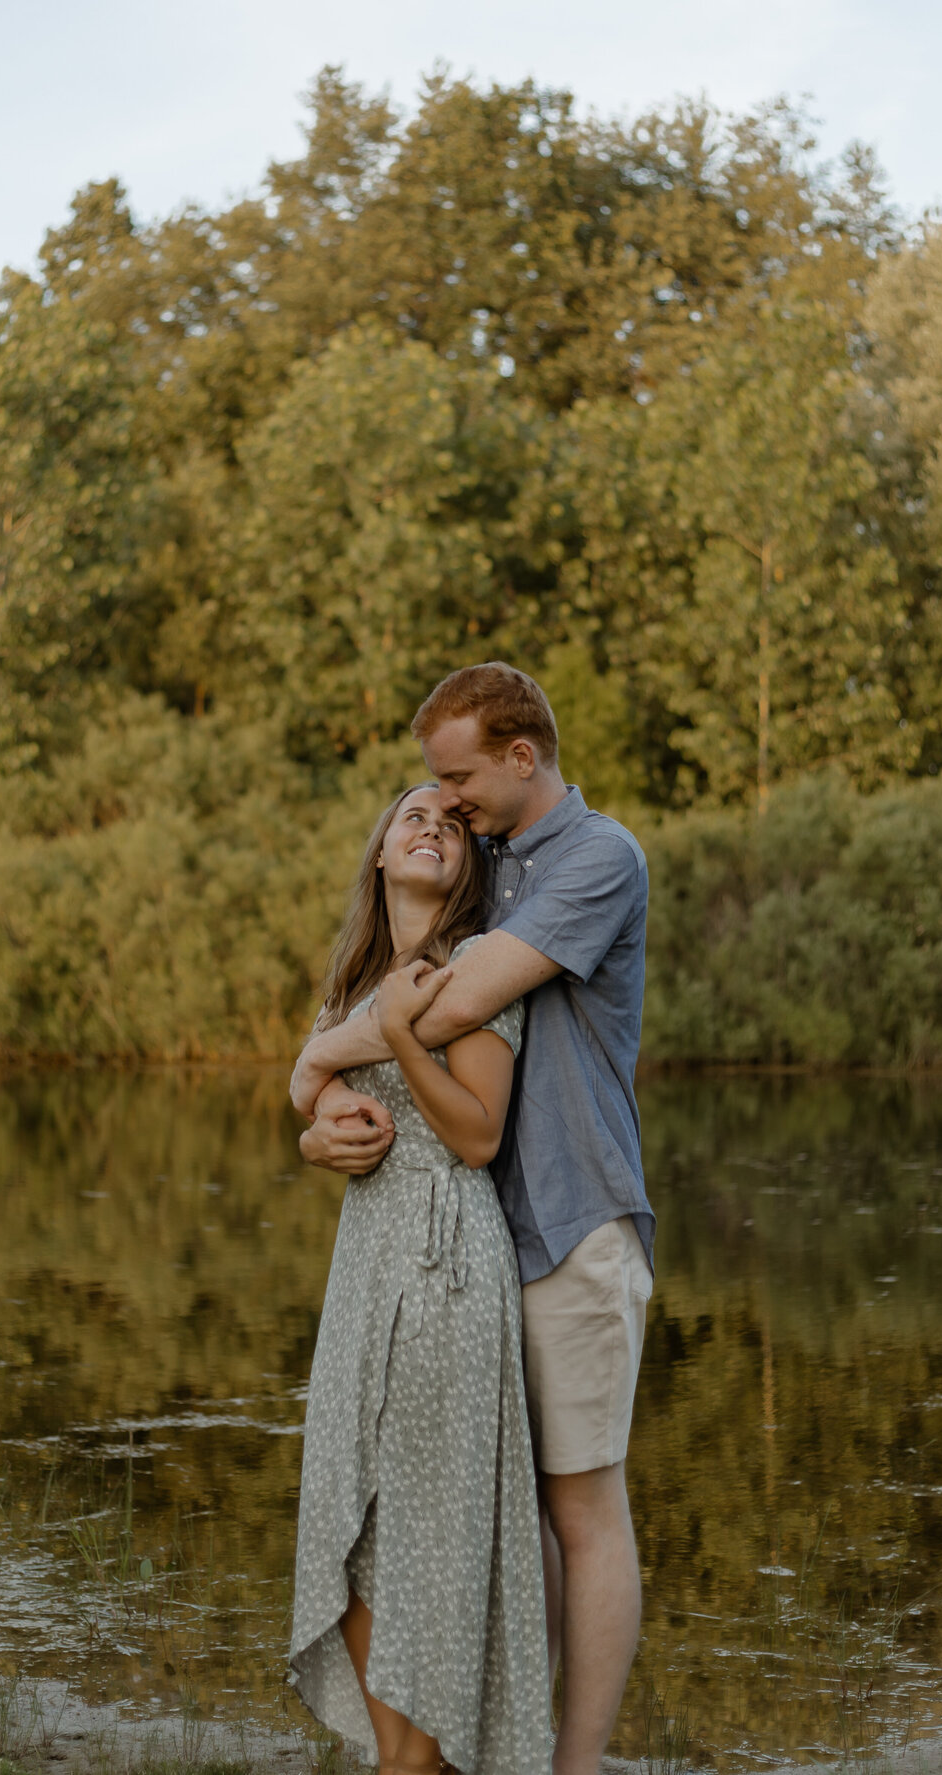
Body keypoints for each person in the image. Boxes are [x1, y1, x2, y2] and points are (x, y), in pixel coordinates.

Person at [292, 663, 654, 1775]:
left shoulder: (598, 856)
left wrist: (311, 1059)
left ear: (520, 756)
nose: (444, 801)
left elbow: (451, 996)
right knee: (503, 1514)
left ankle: (571, 1766)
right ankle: (496, 1743)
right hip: (479, 1245)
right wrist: (310, 1114)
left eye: (457, 777)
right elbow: (400, 973)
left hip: (574, 1219)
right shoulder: (490, 861)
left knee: (582, 1506)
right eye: (429, 789)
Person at [289, 782, 553, 1775]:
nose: (434, 824)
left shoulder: (481, 971)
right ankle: (403, 1763)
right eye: (413, 815)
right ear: (379, 854)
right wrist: (319, 1135)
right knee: (351, 1523)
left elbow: (480, 1134)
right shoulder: (352, 986)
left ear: (472, 862)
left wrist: (403, 1034)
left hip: (450, 1263)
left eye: (452, 819)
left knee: (433, 1535)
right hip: (362, 1265)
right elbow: (316, 1096)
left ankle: (416, 1764)